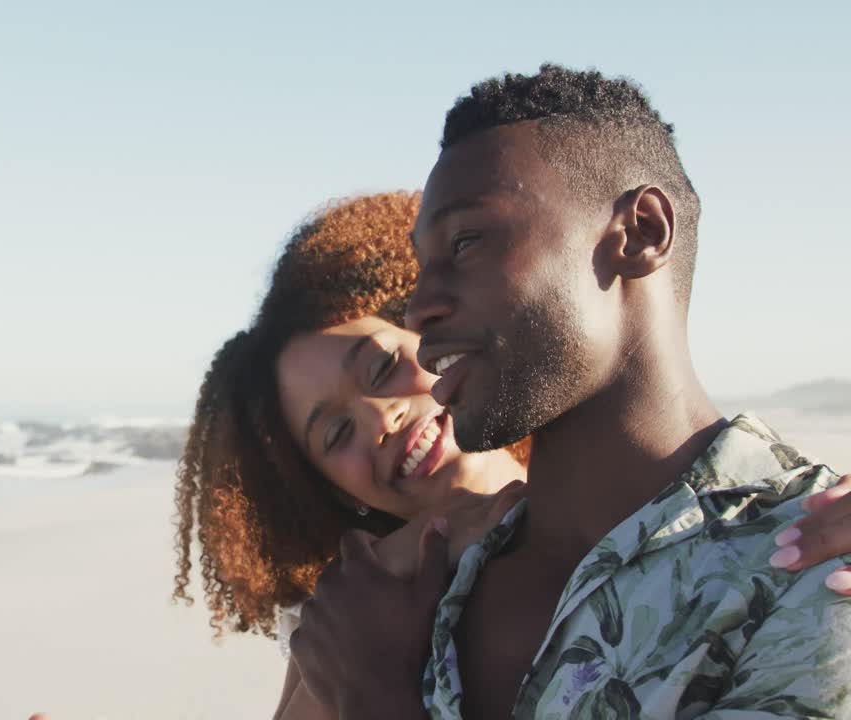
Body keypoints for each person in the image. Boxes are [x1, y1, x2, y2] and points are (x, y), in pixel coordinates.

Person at [289, 65, 851, 718]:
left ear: (641, 232)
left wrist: (375, 701)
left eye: (466, 242)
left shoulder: (808, 560)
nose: (418, 312)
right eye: (421, 267)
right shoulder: (422, 596)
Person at [173, 193, 851, 718]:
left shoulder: (712, 506)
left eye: (379, 369)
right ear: (326, 492)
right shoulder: (351, 620)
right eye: (335, 435)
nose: (381, 421)